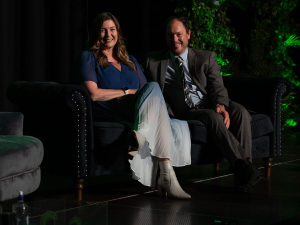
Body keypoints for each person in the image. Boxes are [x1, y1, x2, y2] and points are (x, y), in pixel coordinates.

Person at [72, 12, 192, 199]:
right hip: (110, 110)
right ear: (96, 33)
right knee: (154, 94)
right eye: (103, 30)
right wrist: (126, 92)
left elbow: (147, 91)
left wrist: (134, 96)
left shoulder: (130, 60)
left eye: (112, 29)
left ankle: (142, 137)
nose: (108, 34)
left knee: (153, 89)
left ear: (118, 32)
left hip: (135, 110)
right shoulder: (88, 57)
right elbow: (93, 94)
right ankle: (166, 174)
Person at [141, 15, 262, 192]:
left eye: (179, 34)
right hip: (187, 110)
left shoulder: (206, 57)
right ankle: (244, 167)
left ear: (188, 34)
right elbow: (134, 72)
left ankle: (242, 175)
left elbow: (216, 86)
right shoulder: (154, 61)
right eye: (170, 35)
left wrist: (221, 104)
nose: (175, 39)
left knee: (241, 112)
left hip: (208, 102)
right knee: (212, 117)